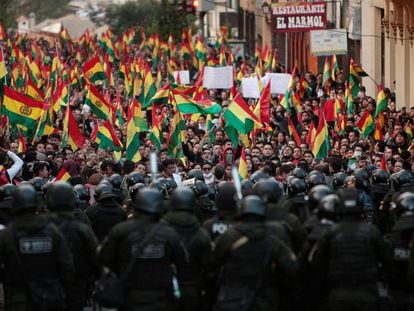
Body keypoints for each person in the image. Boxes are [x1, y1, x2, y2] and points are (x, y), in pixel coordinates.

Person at [99, 187, 182, 311]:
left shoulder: (121, 230)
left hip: (130, 296)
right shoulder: (169, 233)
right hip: (160, 297)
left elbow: (104, 257)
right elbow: (183, 263)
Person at [311, 188, 392, 311]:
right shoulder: (372, 232)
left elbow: (318, 264)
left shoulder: (330, 233)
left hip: (338, 293)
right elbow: (388, 262)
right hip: (367, 292)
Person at [214, 195, 298, 311]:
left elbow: (213, 261)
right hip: (262, 299)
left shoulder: (229, 236)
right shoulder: (272, 239)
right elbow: (292, 266)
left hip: (231, 298)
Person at [0, 184, 75, 310]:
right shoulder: (53, 231)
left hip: (19, 300)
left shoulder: (6, 235)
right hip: (50, 297)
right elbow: (67, 267)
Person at [45, 181, 101, 311]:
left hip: (46, 286)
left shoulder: (39, 227)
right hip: (76, 286)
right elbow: (95, 258)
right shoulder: (82, 229)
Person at [162, 186, 213, 311]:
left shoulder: (159, 231)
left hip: (163, 290)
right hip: (193, 290)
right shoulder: (201, 234)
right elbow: (209, 267)